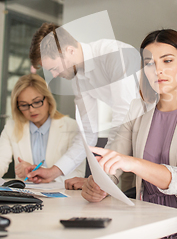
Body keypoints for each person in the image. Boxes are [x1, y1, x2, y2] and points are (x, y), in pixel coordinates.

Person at [81, 29, 177, 239]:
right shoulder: (136, 108)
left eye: (167, 61)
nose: (158, 70)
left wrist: (132, 163)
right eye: (149, 63)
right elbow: (115, 158)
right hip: (150, 217)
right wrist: (99, 182)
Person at [26, 22, 139, 189]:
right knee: (132, 200)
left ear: (70, 50)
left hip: (155, 140)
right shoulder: (78, 80)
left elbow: (124, 117)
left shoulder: (113, 54)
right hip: (129, 145)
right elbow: (87, 133)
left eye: (55, 68)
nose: (54, 75)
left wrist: (100, 177)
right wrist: (54, 171)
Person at [0, 74, 82, 182]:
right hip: (25, 194)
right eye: (24, 105)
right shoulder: (11, 127)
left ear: (48, 99)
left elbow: (78, 174)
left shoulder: (71, 127)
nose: (31, 109)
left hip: (61, 198)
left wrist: (40, 172)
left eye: (36, 102)